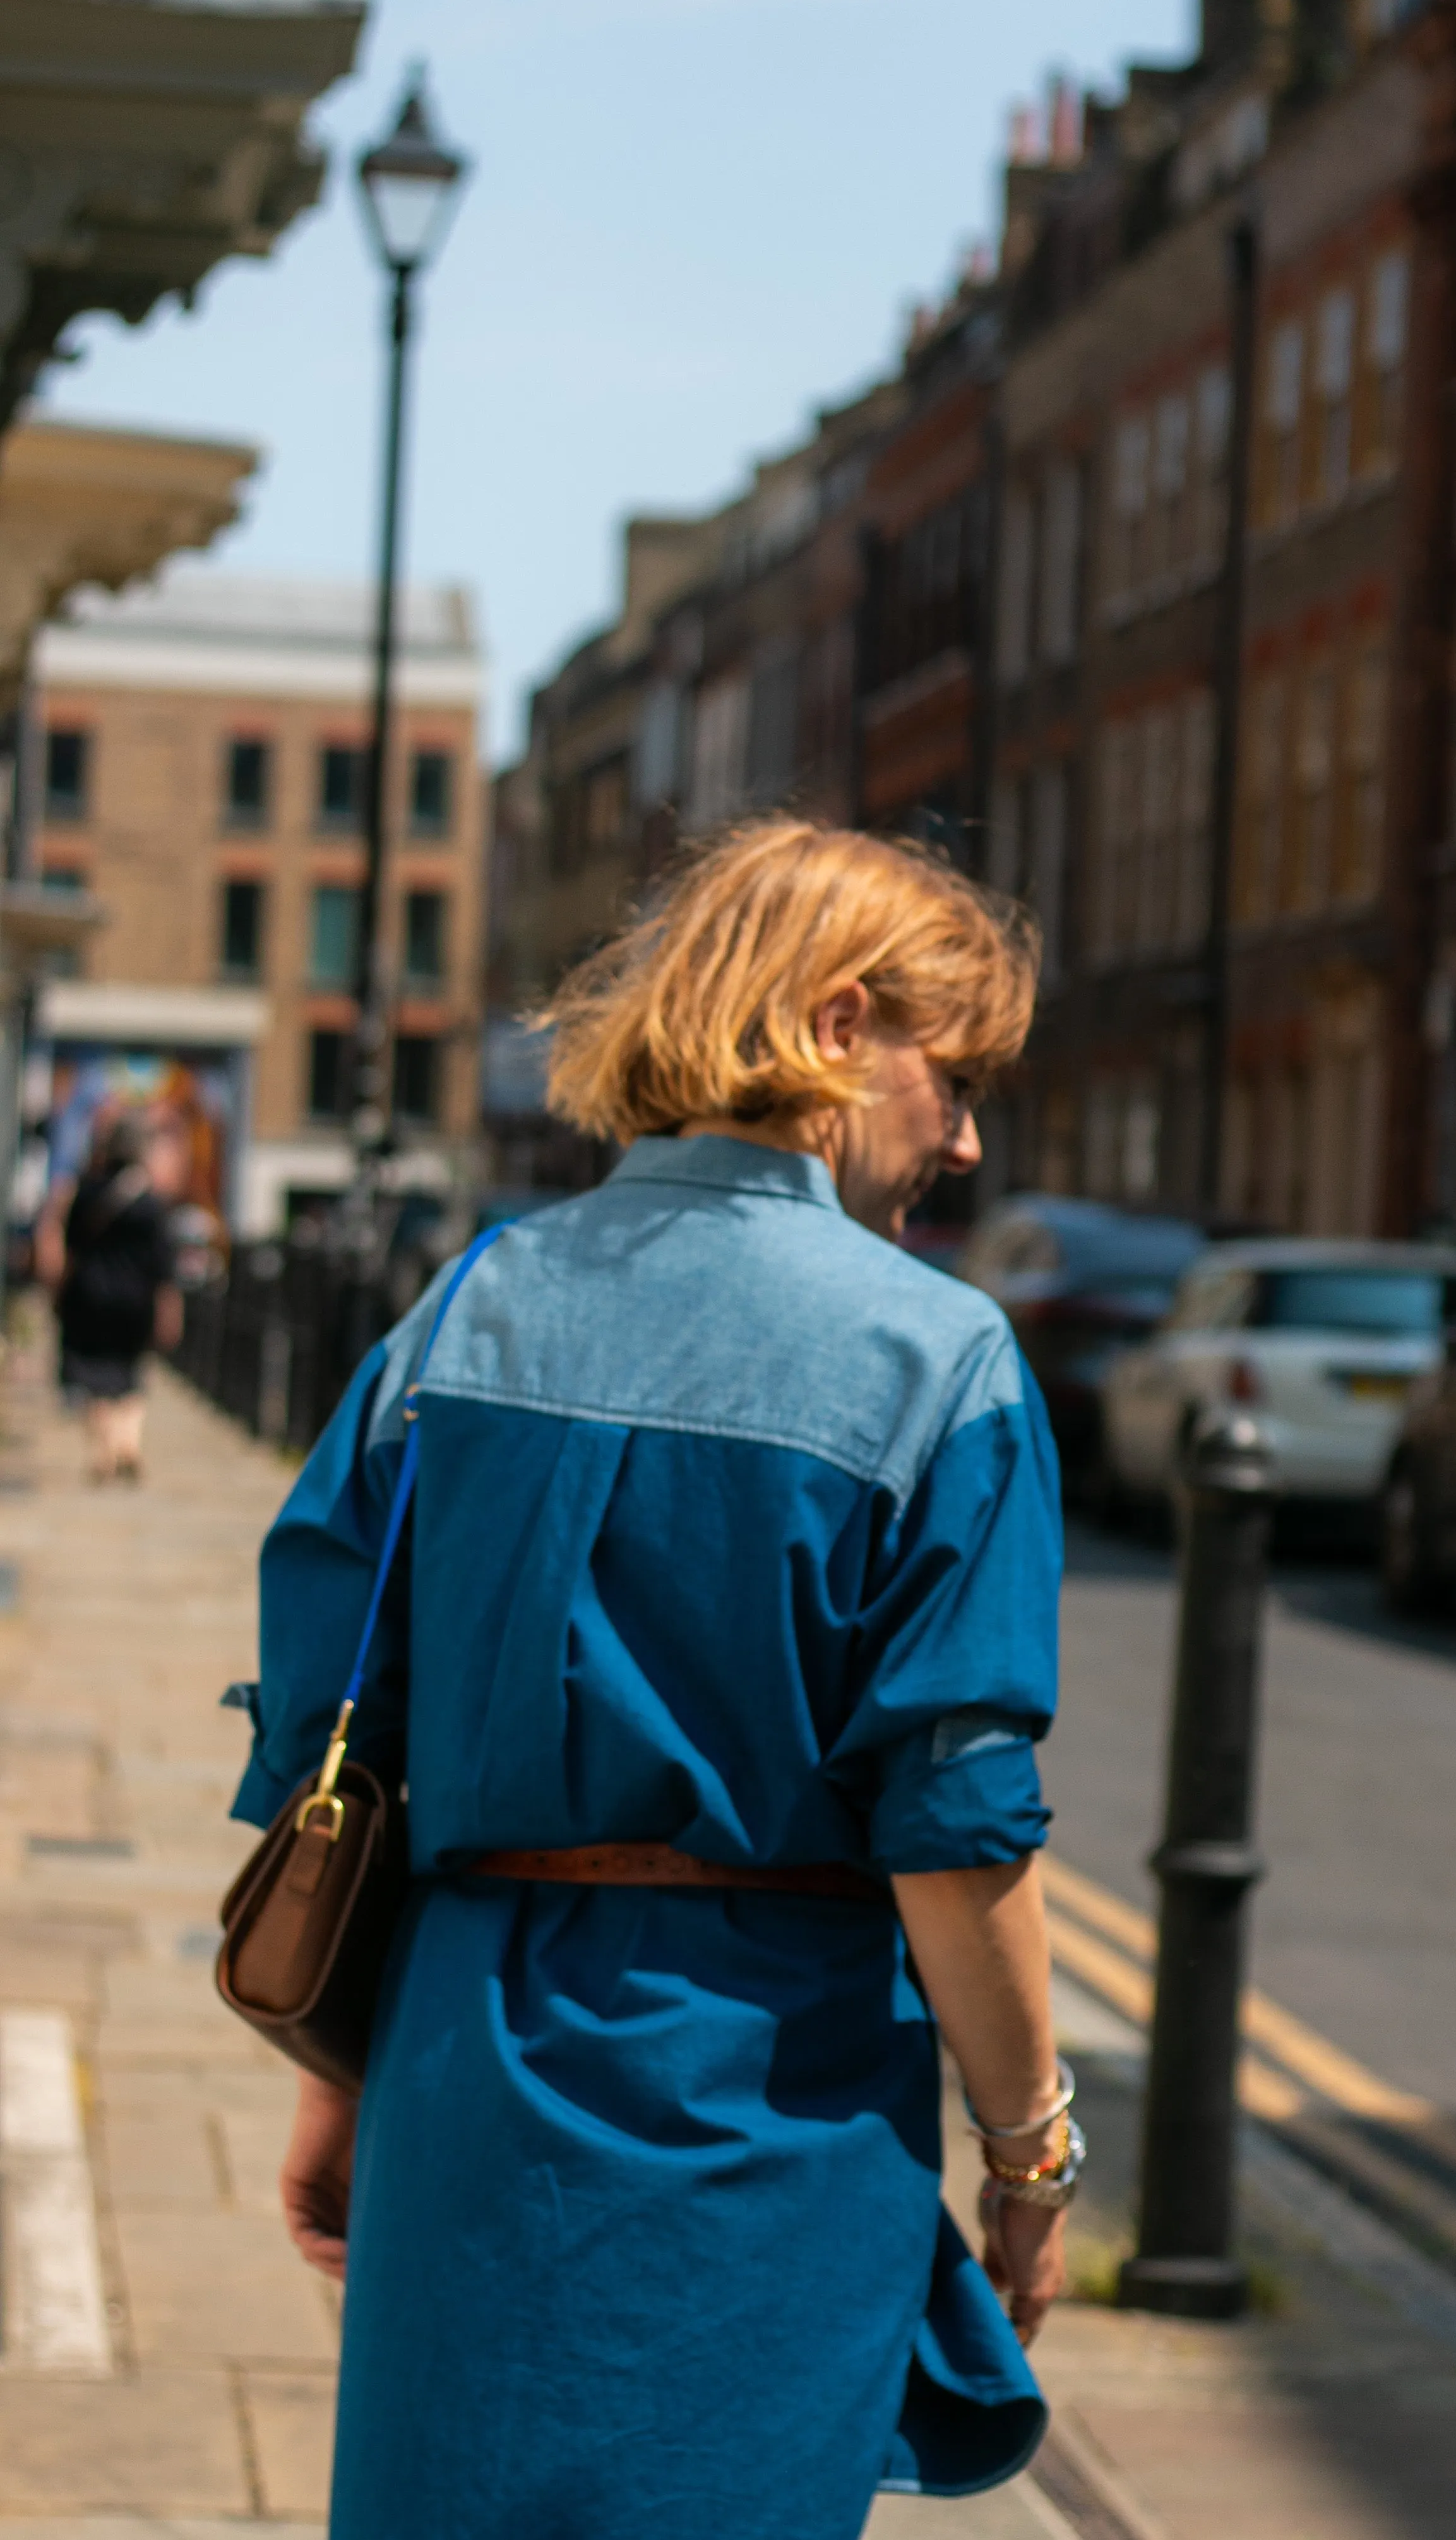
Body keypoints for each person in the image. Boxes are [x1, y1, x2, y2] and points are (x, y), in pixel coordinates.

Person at [236, 822, 1075, 2540]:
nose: (968, 1134)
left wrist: (345, 2077)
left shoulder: (469, 1306)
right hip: (756, 2095)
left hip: (458, 2074)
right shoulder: (938, 1357)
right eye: (957, 1072)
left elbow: (340, 1732)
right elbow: (955, 1830)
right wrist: (1027, 2149)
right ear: (839, 1026)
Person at [54, 1115, 181, 1482]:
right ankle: (129, 1441)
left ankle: (105, 1449)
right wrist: (170, 1309)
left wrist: (58, 1292)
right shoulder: (152, 1204)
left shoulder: (87, 1193)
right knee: (129, 1374)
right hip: (135, 1302)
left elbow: (71, 1248)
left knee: (92, 1376)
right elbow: (164, 1266)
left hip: (90, 1297)